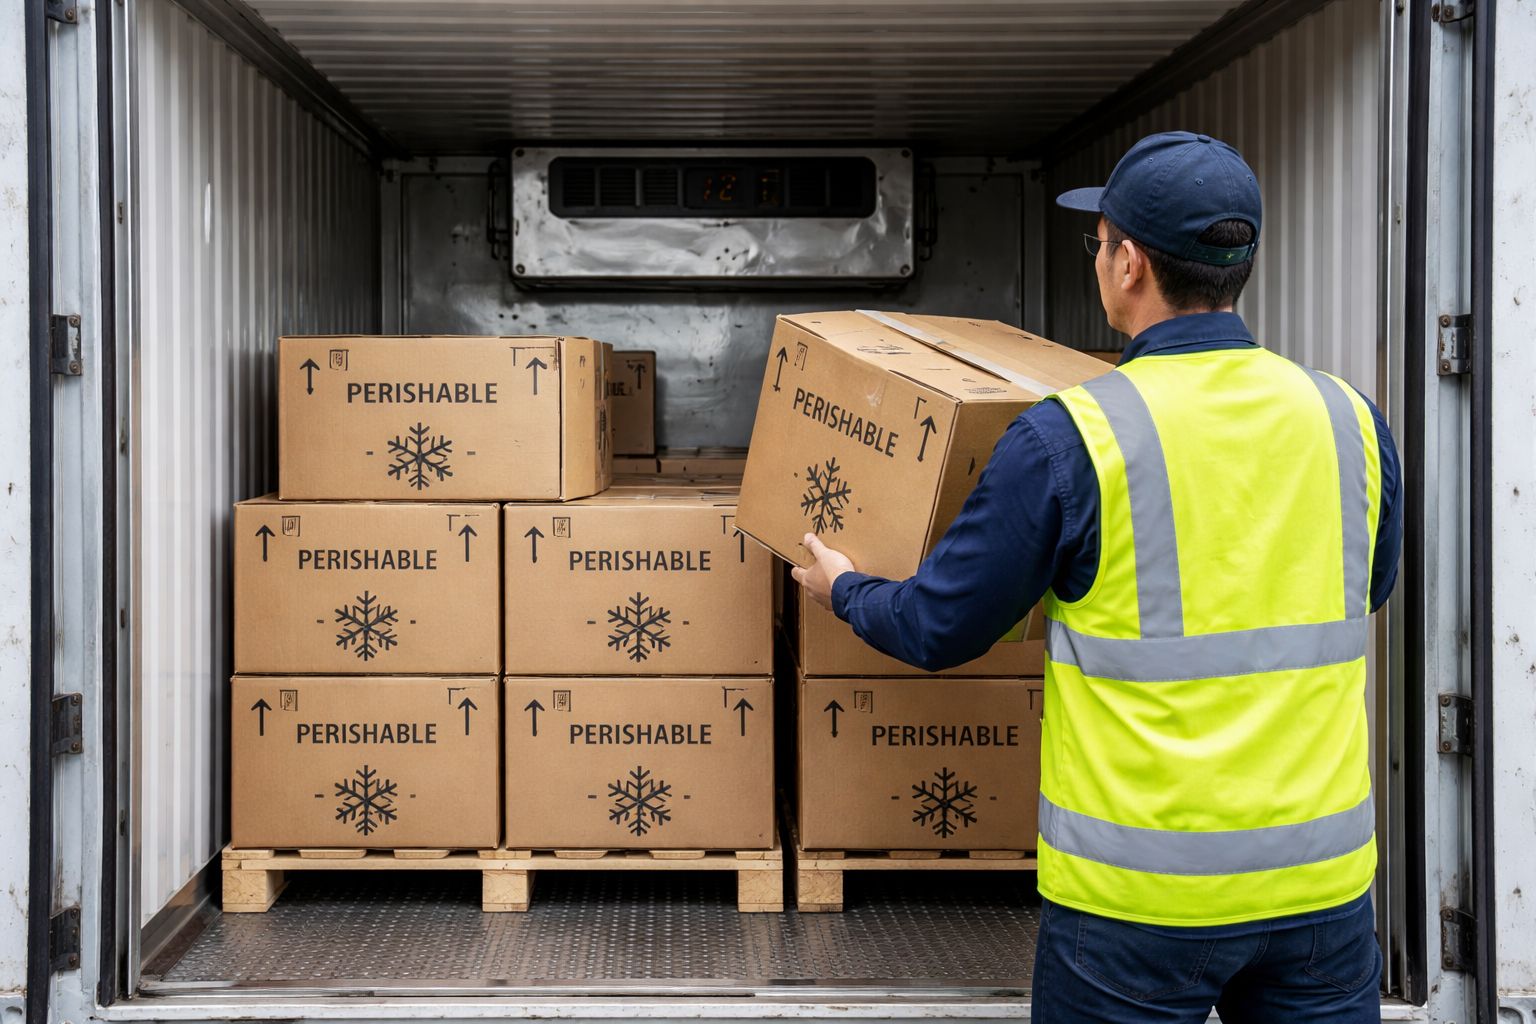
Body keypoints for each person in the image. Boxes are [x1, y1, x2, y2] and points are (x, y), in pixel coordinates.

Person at [791, 130, 1403, 1023]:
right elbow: (1366, 589)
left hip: (1138, 909)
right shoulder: (1347, 417)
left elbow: (940, 627)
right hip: (1322, 897)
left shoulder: (1074, 436)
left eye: (1102, 240)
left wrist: (843, 587)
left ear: (1129, 265)